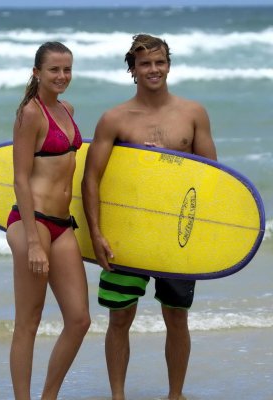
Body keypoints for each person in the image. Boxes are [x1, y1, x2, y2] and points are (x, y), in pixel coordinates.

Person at [81, 34, 217, 400]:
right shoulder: (115, 119)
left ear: (168, 64)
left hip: (176, 235)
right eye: (145, 64)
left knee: (176, 316)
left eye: (159, 62)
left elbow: (213, 176)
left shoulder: (193, 114)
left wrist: (171, 164)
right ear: (133, 70)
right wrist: (96, 234)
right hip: (128, 234)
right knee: (120, 317)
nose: (153, 69)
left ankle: (175, 395)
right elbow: (91, 179)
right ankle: (118, 396)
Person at [6, 41, 91, 400]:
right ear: (36, 72)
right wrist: (34, 241)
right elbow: (20, 178)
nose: (62, 76)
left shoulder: (66, 109)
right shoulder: (30, 113)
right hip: (33, 223)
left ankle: (48, 397)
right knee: (29, 320)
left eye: (67, 69)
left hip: (62, 223)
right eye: (54, 69)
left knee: (79, 319)